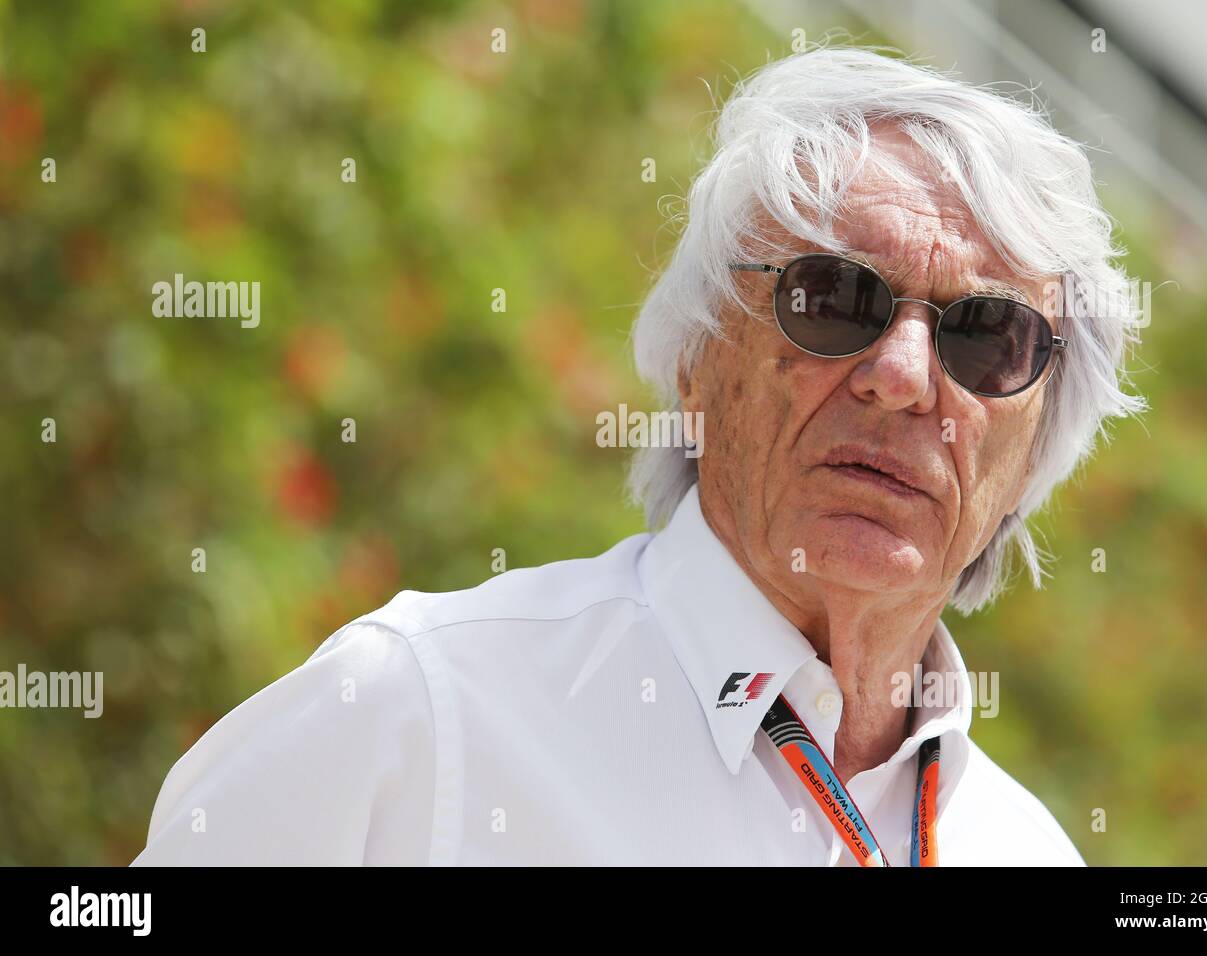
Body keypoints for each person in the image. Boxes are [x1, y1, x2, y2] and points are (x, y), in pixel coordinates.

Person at [134, 46, 1144, 866]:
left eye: (985, 337)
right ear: (698, 358)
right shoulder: (417, 711)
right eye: (833, 298)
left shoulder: (1027, 853)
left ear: (1034, 451)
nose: (903, 373)